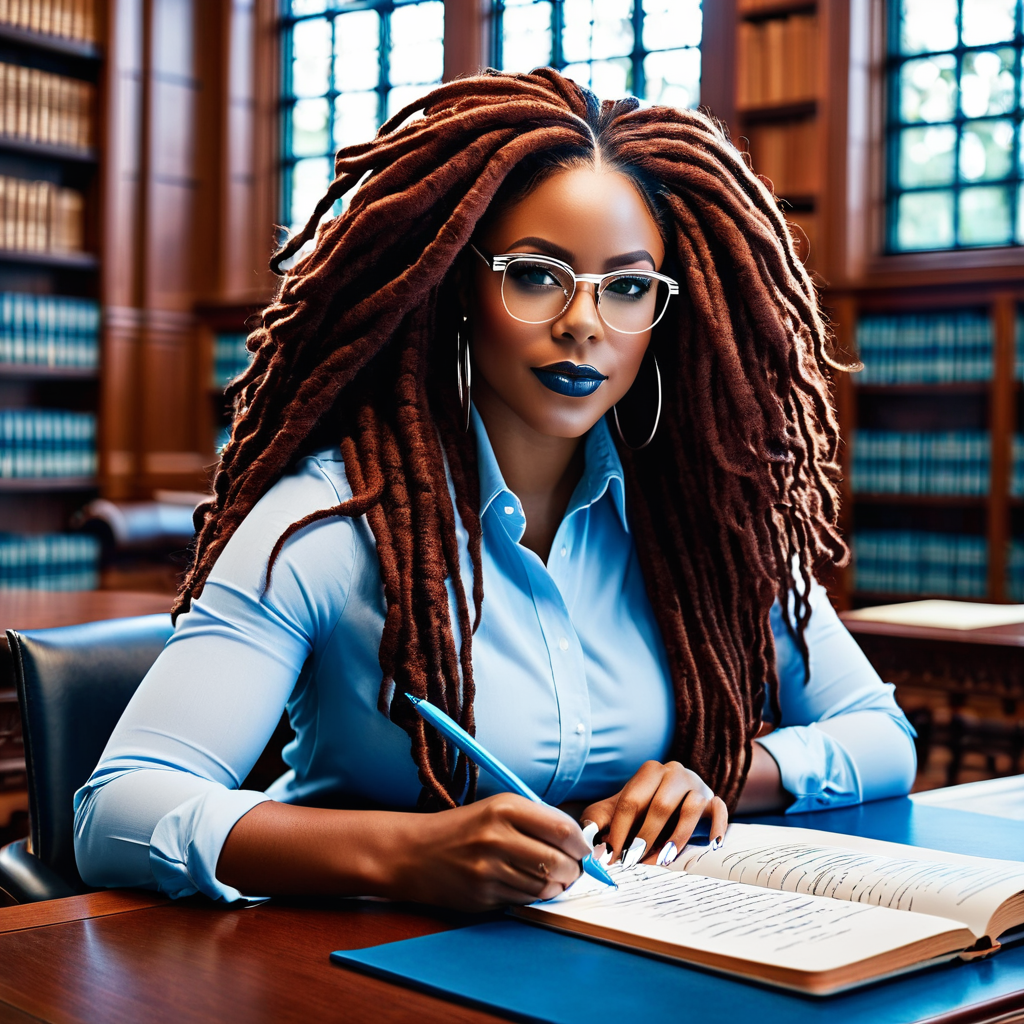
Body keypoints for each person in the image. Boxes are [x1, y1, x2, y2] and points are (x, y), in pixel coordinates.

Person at [74, 69, 916, 910]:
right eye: (537, 275)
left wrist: (721, 778)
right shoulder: (326, 521)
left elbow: (882, 738)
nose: (583, 323)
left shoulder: (713, 522)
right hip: (351, 954)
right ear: (456, 284)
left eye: (628, 288)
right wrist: (405, 853)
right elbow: (118, 809)